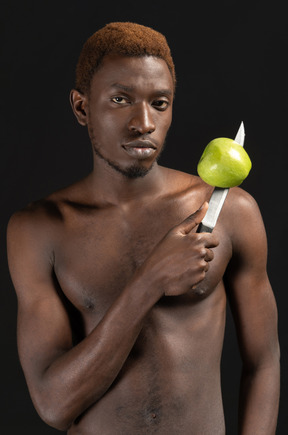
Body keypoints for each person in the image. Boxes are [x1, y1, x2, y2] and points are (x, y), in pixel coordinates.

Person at [7, 22, 280, 434]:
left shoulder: (231, 211)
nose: (144, 123)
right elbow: (55, 404)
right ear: (82, 108)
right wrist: (150, 280)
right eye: (121, 99)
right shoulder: (40, 229)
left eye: (160, 103)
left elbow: (263, 362)